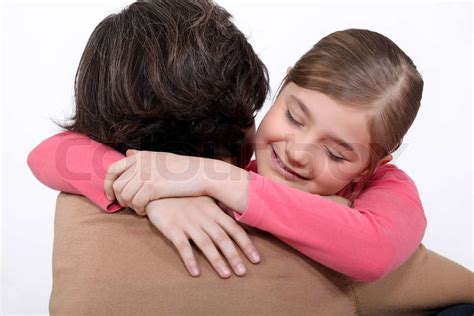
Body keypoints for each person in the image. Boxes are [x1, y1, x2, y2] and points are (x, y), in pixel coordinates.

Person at [27, 0, 473, 314]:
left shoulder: (388, 186)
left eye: (337, 153)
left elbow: (373, 252)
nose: (298, 153)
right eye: (295, 118)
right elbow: (51, 152)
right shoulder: (240, 153)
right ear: (281, 88)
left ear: (378, 161)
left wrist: (221, 179)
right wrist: (156, 193)